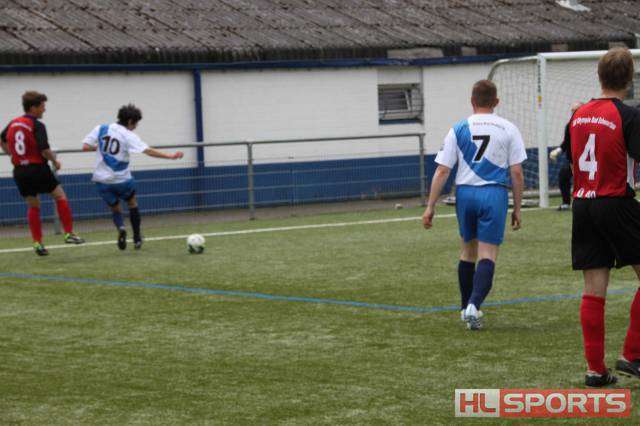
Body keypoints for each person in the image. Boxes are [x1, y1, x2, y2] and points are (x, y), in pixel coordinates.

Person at [422, 80, 526, 330]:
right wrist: (517, 208)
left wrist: (430, 206)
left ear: (472, 102)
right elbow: (517, 172)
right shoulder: (508, 128)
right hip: (493, 193)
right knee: (487, 254)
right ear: (496, 102)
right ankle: (474, 304)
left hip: (465, 194)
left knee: (467, 252)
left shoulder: (458, 128)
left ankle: (465, 309)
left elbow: (442, 171)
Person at [564, 47, 640, 387]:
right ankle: (632, 354)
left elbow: (572, 159)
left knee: (594, 289)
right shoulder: (629, 116)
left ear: (599, 76)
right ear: (630, 80)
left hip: (583, 204)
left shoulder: (578, 115)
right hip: (615, 201)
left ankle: (595, 370)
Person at [82, 104, 183, 250]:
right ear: (130, 121)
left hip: (101, 180)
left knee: (115, 209)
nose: (135, 127)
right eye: (136, 123)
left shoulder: (101, 128)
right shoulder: (128, 135)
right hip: (122, 180)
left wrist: (98, 148)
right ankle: (136, 238)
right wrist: (170, 156)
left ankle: (121, 228)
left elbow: (85, 147)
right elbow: (148, 151)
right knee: (132, 204)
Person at [0, 91, 84, 256]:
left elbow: (2, 140)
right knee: (60, 196)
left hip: (20, 171)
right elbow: (44, 149)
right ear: (33, 108)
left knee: (33, 205)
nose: (44, 110)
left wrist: (12, 155)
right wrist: (55, 161)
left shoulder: (13, 123)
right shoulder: (37, 125)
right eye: (42, 106)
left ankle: (38, 243)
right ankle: (69, 234)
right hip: (37, 168)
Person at [550, 103, 582, 211]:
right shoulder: (570, 126)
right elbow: (566, 142)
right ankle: (566, 203)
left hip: (587, 161)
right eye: (572, 110)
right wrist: (557, 151)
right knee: (563, 175)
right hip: (572, 160)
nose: (573, 113)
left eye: (575, 110)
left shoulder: (589, 124)